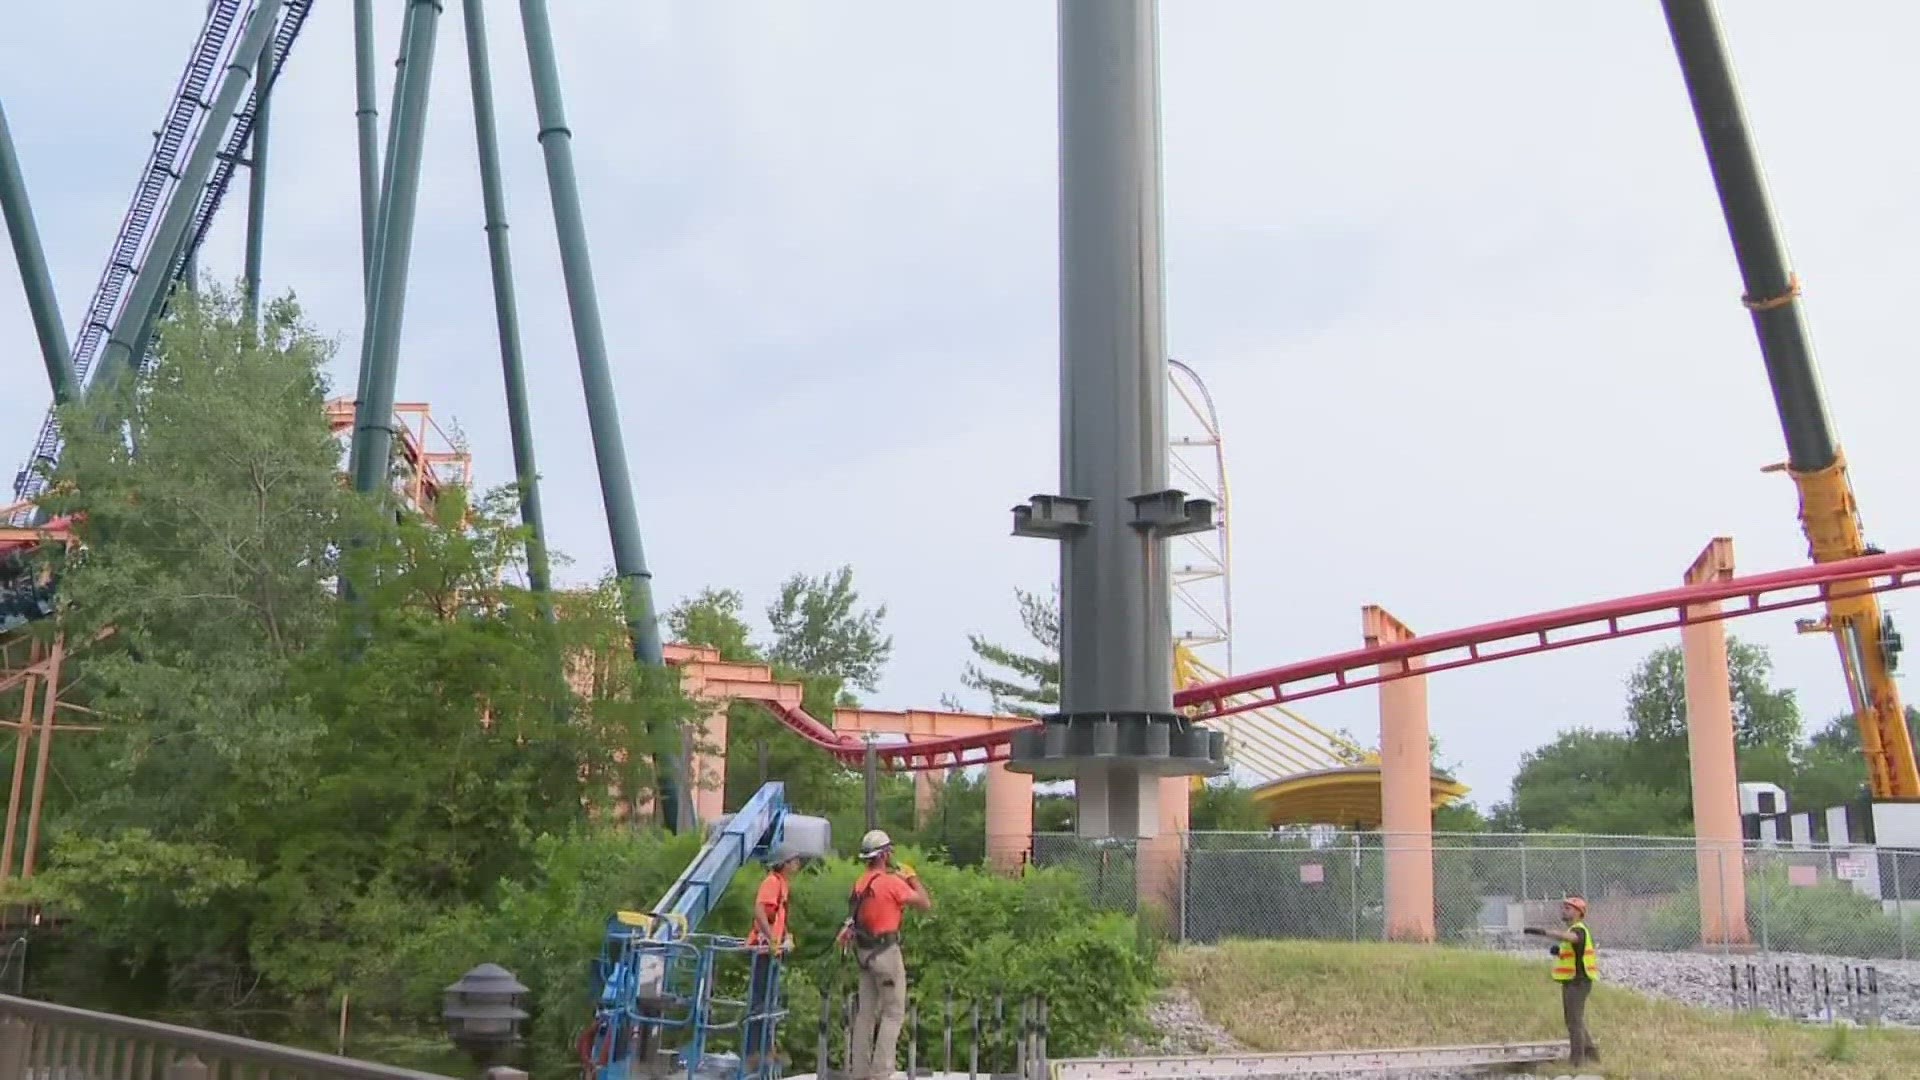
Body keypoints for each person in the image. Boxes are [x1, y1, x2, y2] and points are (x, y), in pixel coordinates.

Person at [836, 829, 932, 1080]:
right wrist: (912, 877)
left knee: (866, 1012)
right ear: (885, 854)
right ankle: (880, 1073)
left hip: (864, 953)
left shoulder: (861, 883)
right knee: (893, 1012)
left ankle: (859, 1072)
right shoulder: (891, 883)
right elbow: (924, 903)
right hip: (886, 953)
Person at [743, 846, 803, 1074]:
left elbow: (776, 915)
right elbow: (760, 911)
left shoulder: (782, 885)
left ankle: (765, 1049)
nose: (797, 864)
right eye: (794, 860)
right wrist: (771, 939)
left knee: (769, 1001)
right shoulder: (772, 883)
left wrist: (785, 935)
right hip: (763, 950)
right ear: (784, 863)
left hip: (772, 950)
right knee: (760, 1001)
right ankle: (754, 1052)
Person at [1524, 896, 1600, 1068]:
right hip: (1571, 981)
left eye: (1568, 908)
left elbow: (1572, 938)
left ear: (1579, 912)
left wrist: (1544, 932)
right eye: (1563, 907)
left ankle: (1577, 1062)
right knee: (1574, 1020)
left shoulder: (1579, 930)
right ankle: (1592, 1055)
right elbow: (1571, 952)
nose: (1564, 910)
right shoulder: (1573, 930)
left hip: (1579, 982)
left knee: (1574, 1021)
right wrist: (1559, 952)